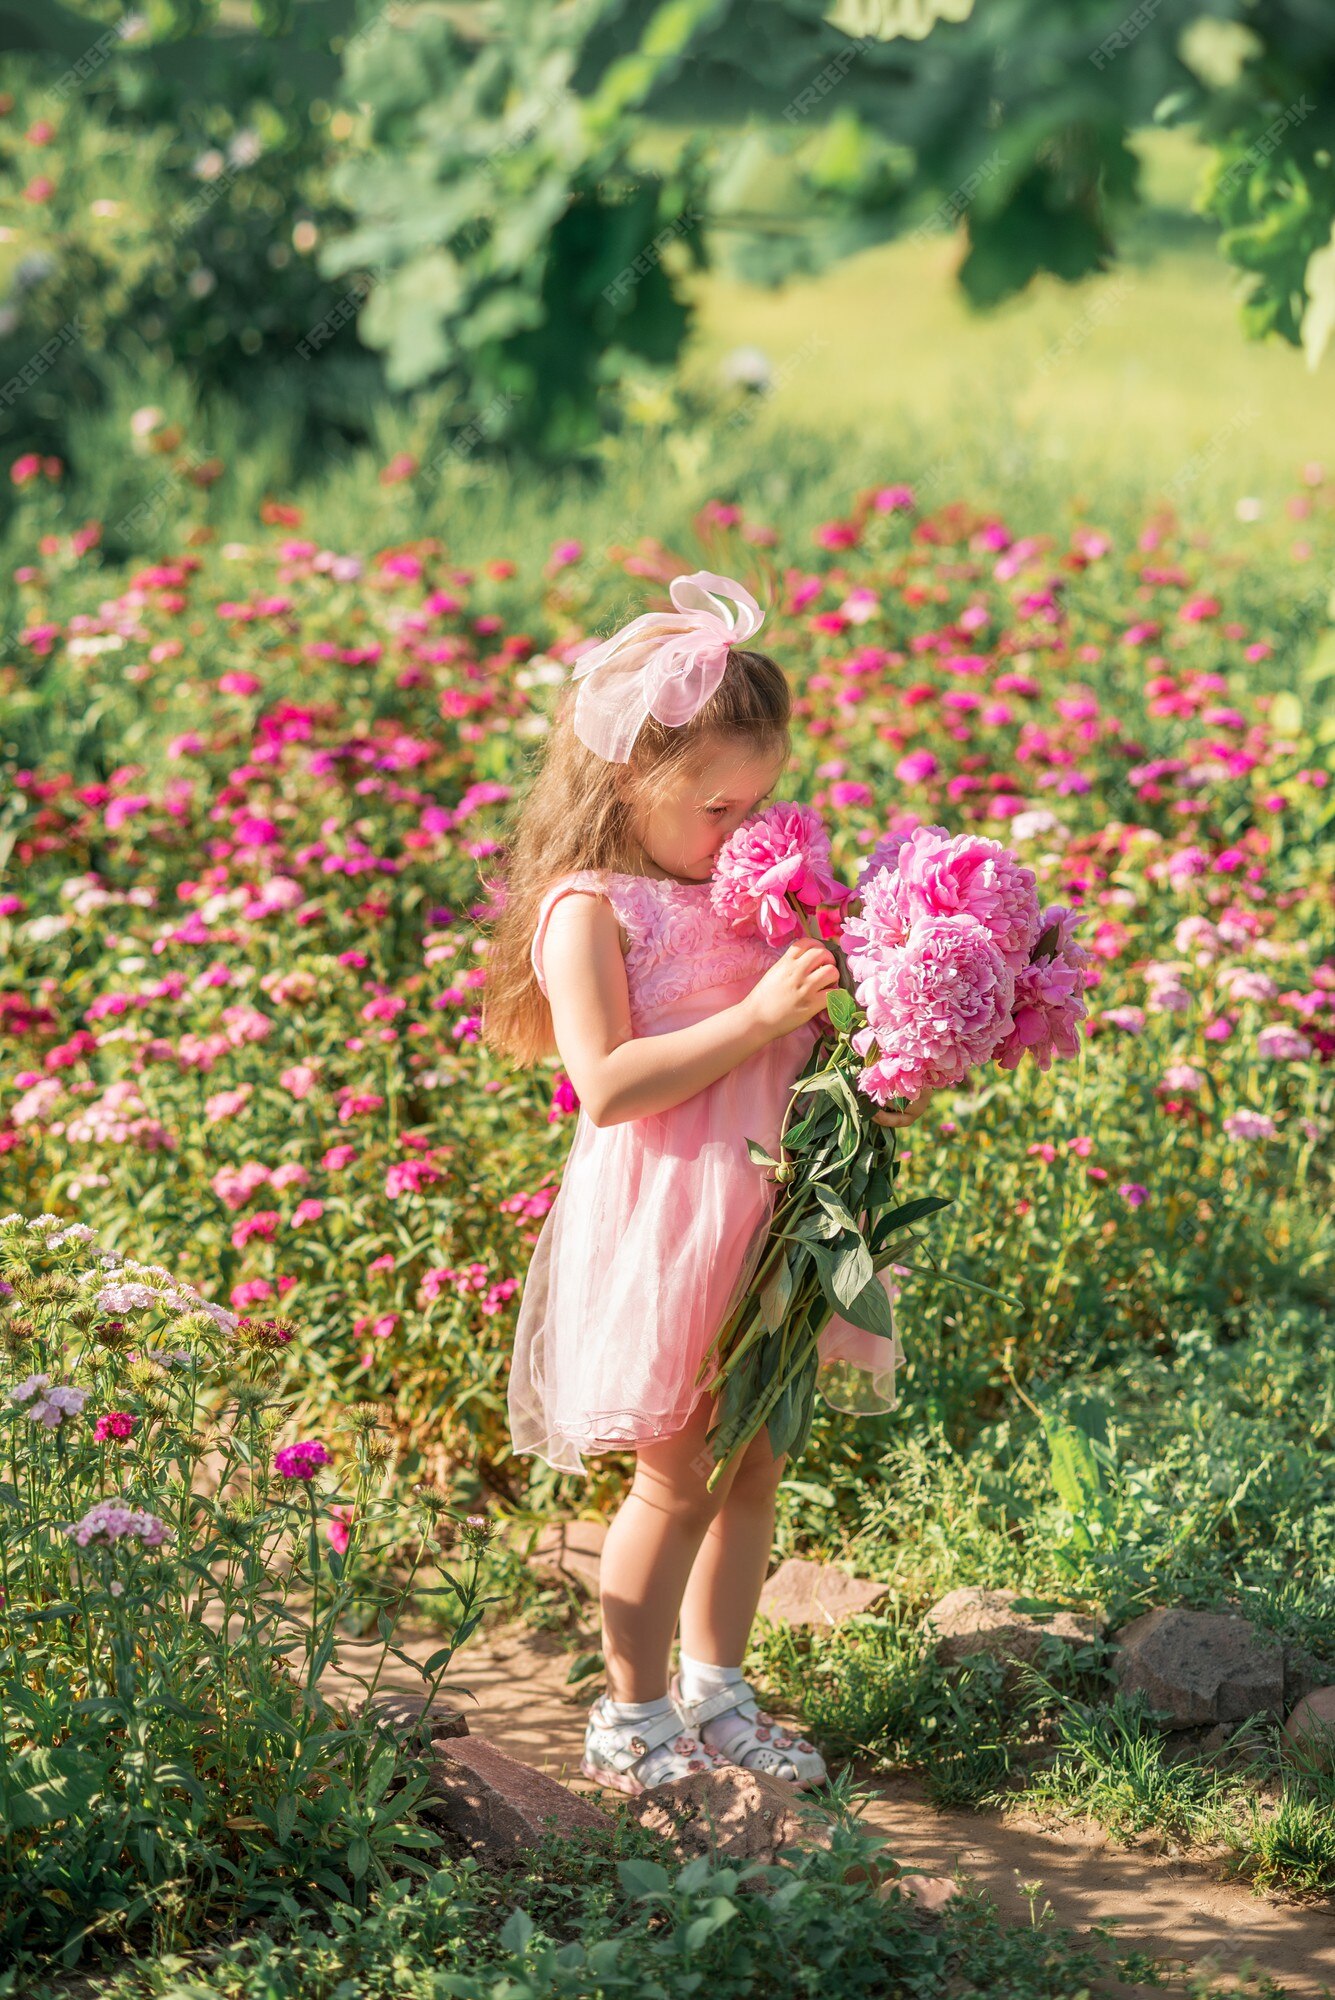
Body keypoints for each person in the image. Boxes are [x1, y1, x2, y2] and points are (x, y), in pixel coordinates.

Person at [482, 571, 933, 1797]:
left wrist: (883, 1030)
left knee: (754, 1459)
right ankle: (628, 1714)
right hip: (672, 1216)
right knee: (674, 1472)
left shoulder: (742, 890)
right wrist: (757, 1012)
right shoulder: (589, 909)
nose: (745, 831)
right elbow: (614, 1083)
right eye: (718, 805)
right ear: (629, 778)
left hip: (774, 1209)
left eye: (763, 802)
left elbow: (798, 1041)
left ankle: (716, 1687)